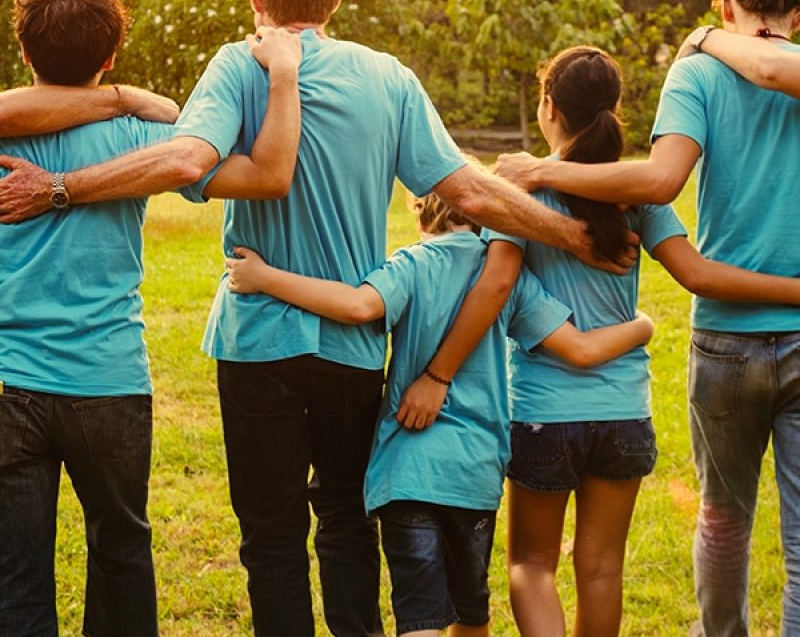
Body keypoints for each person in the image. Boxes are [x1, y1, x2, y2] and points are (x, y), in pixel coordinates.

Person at [0, 0, 636, 637]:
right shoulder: (387, 77)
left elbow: (184, 158)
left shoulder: (238, 67)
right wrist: (576, 236)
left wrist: (59, 183)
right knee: (344, 521)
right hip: (353, 345)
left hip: (257, 337)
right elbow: (473, 193)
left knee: (270, 536)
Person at [490, 0, 800, 636]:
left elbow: (499, 274)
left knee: (713, 517)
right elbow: (677, 246)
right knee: (612, 567)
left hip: (680, 357)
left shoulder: (696, 74)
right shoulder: (642, 204)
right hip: (625, 412)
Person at [0, 0, 301, 637]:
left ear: (24, 53)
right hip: (107, 381)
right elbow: (231, 154)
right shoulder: (143, 139)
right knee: (122, 553)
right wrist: (129, 100)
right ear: (109, 57)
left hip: (8, 382)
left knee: (15, 576)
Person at [223, 176, 655, 637]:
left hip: (408, 471)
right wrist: (642, 326)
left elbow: (358, 306)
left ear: (421, 212)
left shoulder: (413, 264)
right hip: (474, 474)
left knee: (421, 615)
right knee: (470, 612)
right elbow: (579, 348)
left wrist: (265, 278)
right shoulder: (509, 277)